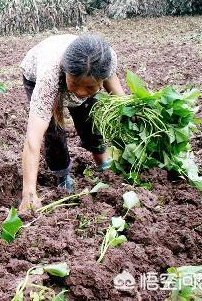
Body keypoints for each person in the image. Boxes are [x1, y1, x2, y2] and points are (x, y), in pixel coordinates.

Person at [19, 34, 126, 213]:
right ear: (66, 73)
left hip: (80, 71)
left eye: (90, 87)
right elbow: (33, 140)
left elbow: (120, 100)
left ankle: (103, 164)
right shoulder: (49, 78)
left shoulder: (106, 60)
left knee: (91, 118)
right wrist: (28, 194)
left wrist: (132, 115)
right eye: (75, 84)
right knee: (53, 131)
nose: (81, 92)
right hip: (37, 73)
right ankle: (62, 176)